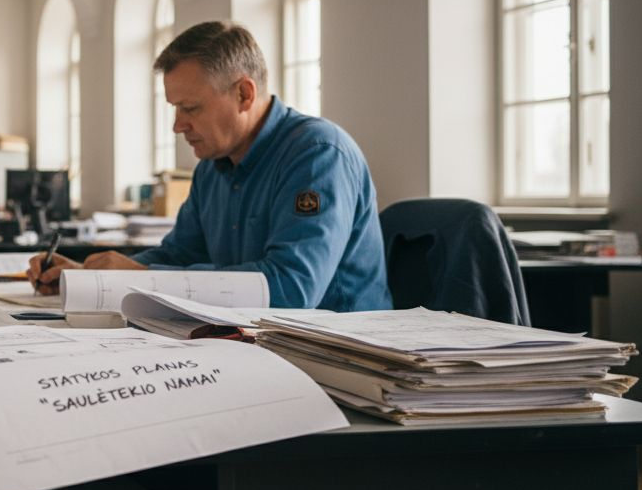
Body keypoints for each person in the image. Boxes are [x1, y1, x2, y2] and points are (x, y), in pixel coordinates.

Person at [28, 20, 391, 312]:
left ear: (244, 94)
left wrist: (139, 277)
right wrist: (92, 277)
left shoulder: (318, 155)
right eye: (174, 108)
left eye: (191, 108)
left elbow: (291, 290)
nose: (177, 125)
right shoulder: (213, 166)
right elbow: (179, 256)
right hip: (250, 346)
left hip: (340, 356)